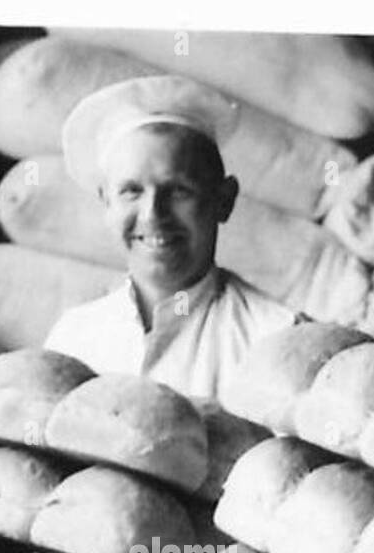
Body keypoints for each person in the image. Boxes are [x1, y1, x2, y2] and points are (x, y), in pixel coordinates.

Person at [45, 75, 300, 403]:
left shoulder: (276, 339)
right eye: (131, 191)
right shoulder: (74, 338)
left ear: (224, 200)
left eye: (179, 191)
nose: (153, 214)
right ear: (106, 203)